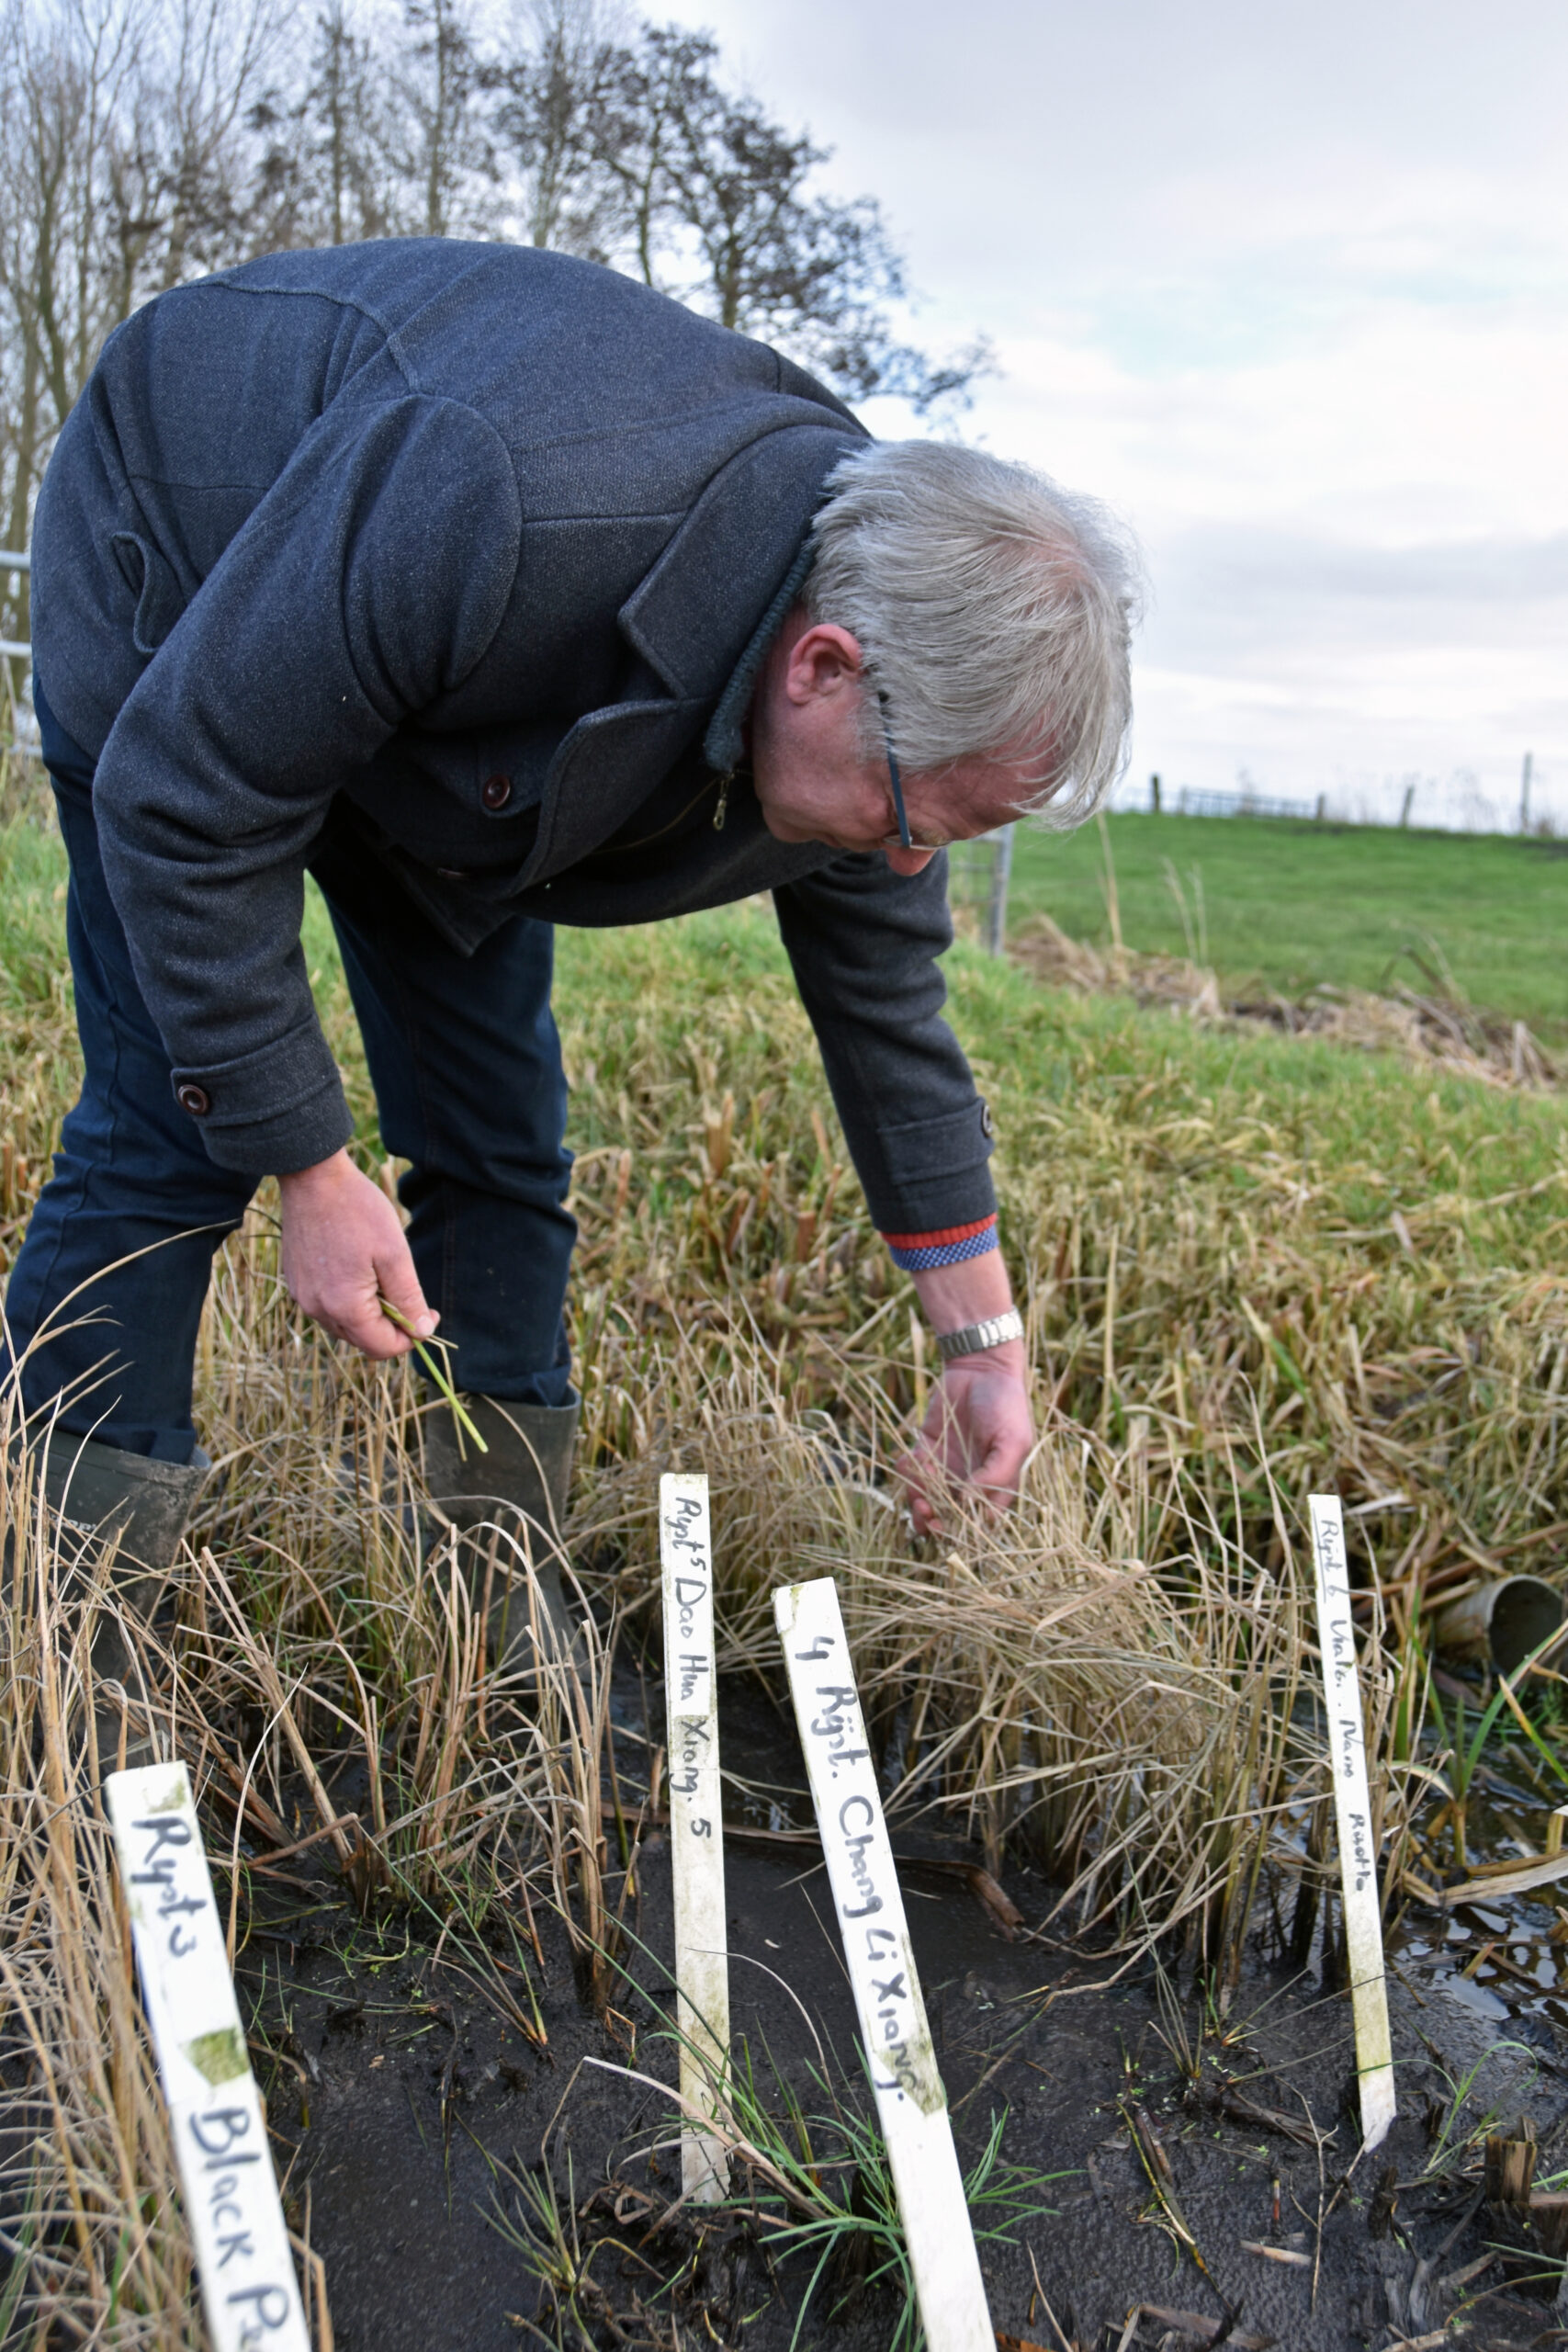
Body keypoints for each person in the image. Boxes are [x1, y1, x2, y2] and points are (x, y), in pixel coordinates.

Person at [5, 237, 1137, 1657]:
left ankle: (486, 1588)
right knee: (175, 1129)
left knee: (500, 1145)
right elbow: (187, 795)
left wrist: (981, 1341)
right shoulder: (506, 494)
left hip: (446, 710)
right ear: (823, 666)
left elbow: (886, 998)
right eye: (914, 818)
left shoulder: (890, 677)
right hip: (189, 551)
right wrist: (306, 1155)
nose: (911, 864)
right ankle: (73, 1619)